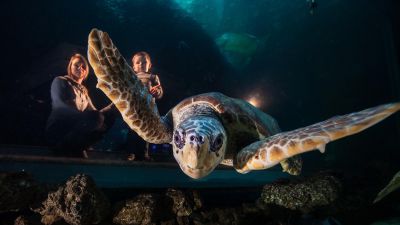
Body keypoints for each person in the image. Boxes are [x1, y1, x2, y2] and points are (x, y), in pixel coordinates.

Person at [45, 53, 116, 157]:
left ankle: (79, 146)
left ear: (86, 71)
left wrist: (113, 105)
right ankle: (64, 147)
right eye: (76, 65)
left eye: (83, 67)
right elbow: (59, 106)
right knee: (97, 118)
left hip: (75, 129)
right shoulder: (60, 81)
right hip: (59, 129)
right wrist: (84, 117)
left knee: (107, 118)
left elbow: (96, 113)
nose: (80, 68)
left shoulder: (84, 91)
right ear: (70, 67)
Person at [128, 51, 164, 160]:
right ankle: (131, 152)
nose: (141, 64)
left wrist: (157, 92)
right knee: (132, 131)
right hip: (134, 109)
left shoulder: (153, 77)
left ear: (150, 65)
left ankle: (144, 153)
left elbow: (160, 91)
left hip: (148, 109)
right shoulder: (131, 76)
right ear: (133, 66)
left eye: (144, 62)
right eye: (138, 62)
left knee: (146, 131)